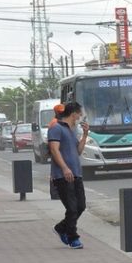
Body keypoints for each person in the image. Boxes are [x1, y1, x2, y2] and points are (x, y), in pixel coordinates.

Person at [49, 102, 89, 249]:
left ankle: (61, 228)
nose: (80, 117)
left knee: (81, 206)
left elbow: (78, 151)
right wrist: (65, 168)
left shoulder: (71, 130)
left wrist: (85, 135)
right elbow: (54, 150)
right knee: (72, 208)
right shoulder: (56, 128)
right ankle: (73, 237)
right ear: (73, 113)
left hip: (76, 173)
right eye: (79, 114)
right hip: (62, 175)